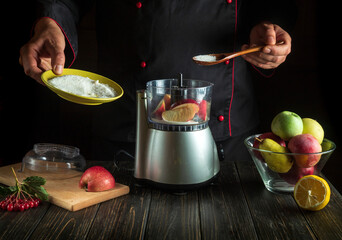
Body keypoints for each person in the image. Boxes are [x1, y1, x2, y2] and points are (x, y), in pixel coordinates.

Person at [19, 0, 295, 161]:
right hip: (128, 128)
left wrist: (271, 29)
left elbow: (272, 3)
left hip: (225, 131)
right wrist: (51, 22)